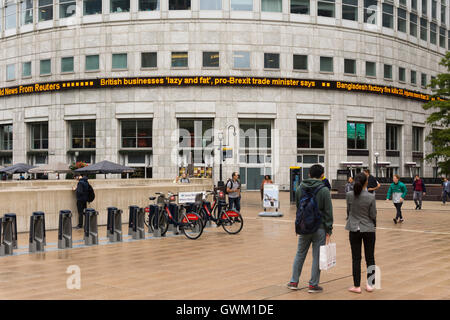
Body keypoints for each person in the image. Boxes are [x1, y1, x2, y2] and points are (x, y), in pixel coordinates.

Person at [287, 164, 333, 293]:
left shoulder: (300, 187)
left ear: (309, 174)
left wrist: (299, 224)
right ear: (322, 175)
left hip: (304, 226)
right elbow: (329, 211)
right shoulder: (324, 190)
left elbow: (298, 207)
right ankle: (313, 285)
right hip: (320, 228)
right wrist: (329, 229)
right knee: (317, 256)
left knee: (300, 253)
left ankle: (293, 281)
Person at [346, 173, 377, 294]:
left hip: (354, 228)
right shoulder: (370, 197)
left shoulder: (349, 195)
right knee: (370, 257)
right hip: (368, 228)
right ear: (366, 183)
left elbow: (348, 211)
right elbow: (373, 214)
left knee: (356, 258)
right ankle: (370, 284)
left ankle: (356, 286)